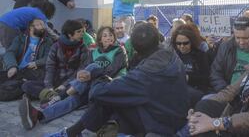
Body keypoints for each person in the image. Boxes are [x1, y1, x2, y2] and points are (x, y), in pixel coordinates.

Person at [44, 23, 189, 137]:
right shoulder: (171, 56)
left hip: (160, 123)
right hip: (169, 112)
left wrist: (97, 74)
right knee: (105, 90)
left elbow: (99, 92)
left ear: (135, 50)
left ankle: (70, 129)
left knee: (105, 96)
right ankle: (71, 129)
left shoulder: (140, 70)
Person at [19, 26, 127, 130]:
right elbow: (85, 68)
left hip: (105, 83)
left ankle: (61, 95)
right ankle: (38, 116)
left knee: (94, 67)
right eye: (105, 35)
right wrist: (81, 74)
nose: (108, 38)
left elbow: (111, 70)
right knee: (72, 100)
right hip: (87, 85)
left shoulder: (119, 50)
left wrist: (90, 74)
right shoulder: (94, 52)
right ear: (100, 39)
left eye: (110, 35)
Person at [21, 20, 88, 101]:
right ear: (70, 34)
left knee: (77, 89)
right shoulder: (56, 46)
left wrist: (64, 85)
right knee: (26, 85)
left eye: (82, 31)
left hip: (71, 81)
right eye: (79, 32)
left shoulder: (83, 48)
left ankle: (49, 96)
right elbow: (50, 67)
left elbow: (81, 69)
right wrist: (49, 86)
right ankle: (52, 95)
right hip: (56, 79)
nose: (82, 34)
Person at [0, 19, 53, 101]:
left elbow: (49, 57)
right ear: (31, 28)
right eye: (39, 25)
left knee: (9, 89)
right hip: (17, 69)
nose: (42, 27)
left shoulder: (47, 41)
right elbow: (10, 53)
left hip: (32, 72)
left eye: (43, 25)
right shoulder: (20, 39)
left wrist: (36, 63)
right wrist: (12, 66)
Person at [210, 16, 249, 92]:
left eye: (246, 38)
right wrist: (225, 91)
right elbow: (215, 73)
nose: (241, 42)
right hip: (226, 92)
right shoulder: (225, 47)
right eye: (237, 38)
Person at [172, 24, 210, 106]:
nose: (182, 46)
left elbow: (206, 78)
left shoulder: (200, 56)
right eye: (178, 43)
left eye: (185, 43)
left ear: (191, 42)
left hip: (195, 89)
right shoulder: (172, 56)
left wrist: (189, 78)